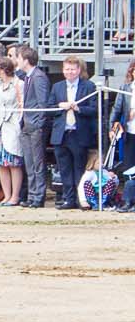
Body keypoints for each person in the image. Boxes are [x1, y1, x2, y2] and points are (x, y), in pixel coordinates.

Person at [50, 56, 101, 209]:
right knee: (64, 169)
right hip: (62, 133)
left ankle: (81, 199)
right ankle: (68, 199)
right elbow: (49, 108)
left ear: (79, 70)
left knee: (79, 168)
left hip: (79, 134)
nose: (70, 72)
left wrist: (79, 108)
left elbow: (94, 109)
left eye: (73, 69)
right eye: (67, 69)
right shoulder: (57, 87)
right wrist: (61, 105)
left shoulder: (89, 86)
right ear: (63, 70)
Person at [0, 55, 25, 207]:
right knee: (1, 163)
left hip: (11, 124)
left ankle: (15, 196)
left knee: (13, 163)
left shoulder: (18, 83)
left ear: (3, 69)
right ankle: (6, 195)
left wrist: (17, 122)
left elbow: (21, 104)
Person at [17, 44, 52, 208]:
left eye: (18, 58)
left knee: (37, 163)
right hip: (26, 124)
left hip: (35, 126)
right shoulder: (28, 77)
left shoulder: (38, 77)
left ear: (26, 60)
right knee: (29, 163)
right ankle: (32, 195)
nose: (17, 61)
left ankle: (39, 196)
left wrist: (38, 124)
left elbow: (42, 102)